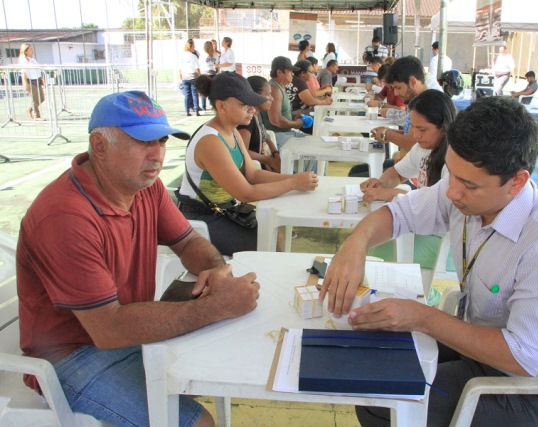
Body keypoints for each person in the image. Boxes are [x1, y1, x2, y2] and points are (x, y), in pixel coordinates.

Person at [320, 95, 538, 427]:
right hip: (477, 343)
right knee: (373, 365)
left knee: (382, 404)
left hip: (523, 389)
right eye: (451, 174)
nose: (452, 193)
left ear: (517, 182)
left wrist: (422, 318)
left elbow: (524, 358)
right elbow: (400, 213)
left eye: (468, 185)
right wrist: (355, 244)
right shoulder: (462, 188)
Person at [16, 90, 262, 427]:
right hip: (71, 357)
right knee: (199, 423)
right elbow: (109, 329)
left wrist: (216, 271)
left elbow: (189, 240)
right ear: (99, 146)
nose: (157, 155)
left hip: (125, 329)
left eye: (161, 141)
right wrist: (215, 306)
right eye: (143, 142)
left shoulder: (146, 187)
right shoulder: (65, 217)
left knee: (227, 360)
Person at [179, 72, 318, 255]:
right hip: (202, 219)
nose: (252, 109)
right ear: (221, 106)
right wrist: (293, 183)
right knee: (270, 240)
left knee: (277, 233)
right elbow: (246, 192)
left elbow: (252, 174)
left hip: (225, 210)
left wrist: (295, 178)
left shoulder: (233, 132)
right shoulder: (210, 141)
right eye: (244, 104)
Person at [361, 89, 456, 273]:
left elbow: (438, 207)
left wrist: (392, 193)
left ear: (444, 128)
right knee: (371, 241)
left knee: (375, 253)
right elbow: (397, 172)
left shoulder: (453, 161)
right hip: (423, 228)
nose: (415, 135)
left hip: (443, 239)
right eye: (413, 127)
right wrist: (380, 183)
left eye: (422, 129)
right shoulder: (423, 148)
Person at [349, 56, 427, 177]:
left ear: (412, 82)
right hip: (407, 163)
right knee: (355, 171)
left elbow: (415, 143)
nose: (395, 93)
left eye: (398, 88)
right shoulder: (416, 102)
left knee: (357, 176)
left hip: (416, 173)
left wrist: (388, 134)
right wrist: (388, 132)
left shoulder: (426, 105)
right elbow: (412, 135)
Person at [262, 56, 313, 150]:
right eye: (290, 71)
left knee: (314, 143)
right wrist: (296, 124)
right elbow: (275, 120)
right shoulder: (274, 89)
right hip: (277, 136)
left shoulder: (279, 87)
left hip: (285, 133)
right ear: (279, 72)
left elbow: (279, 114)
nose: (293, 74)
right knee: (311, 151)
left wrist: (293, 116)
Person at [238, 75, 281, 172]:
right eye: (269, 94)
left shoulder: (258, 115)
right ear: (255, 95)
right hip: (253, 170)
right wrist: (269, 160)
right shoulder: (248, 120)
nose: (272, 99)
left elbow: (266, 136)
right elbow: (242, 151)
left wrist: (275, 153)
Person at [19, 43, 45, 120]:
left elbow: (38, 70)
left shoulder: (32, 60)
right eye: (30, 49)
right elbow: (23, 73)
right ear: (25, 51)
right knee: (34, 99)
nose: (32, 50)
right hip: (31, 81)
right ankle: (37, 115)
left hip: (37, 80)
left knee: (42, 98)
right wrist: (25, 83)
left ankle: (30, 110)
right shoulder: (24, 61)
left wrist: (41, 79)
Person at [179, 39, 200, 117]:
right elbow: (197, 68)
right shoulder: (193, 56)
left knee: (187, 94)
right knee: (195, 94)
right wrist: (199, 75)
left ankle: (187, 110)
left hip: (185, 76)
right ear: (191, 47)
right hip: (192, 76)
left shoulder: (182, 56)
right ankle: (196, 110)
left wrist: (180, 75)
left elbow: (180, 67)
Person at [199, 40, 218, 112]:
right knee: (211, 90)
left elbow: (200, 64)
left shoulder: (202, 55)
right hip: (212, 74)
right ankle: (212, 105)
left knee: (203, 90)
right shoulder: (215, 55)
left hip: (204, 74)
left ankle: (204, 107)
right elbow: (217, 65)